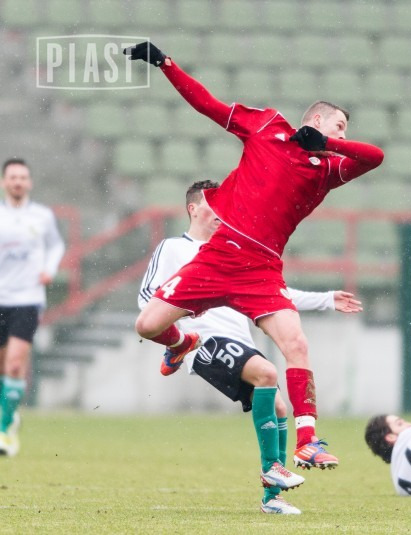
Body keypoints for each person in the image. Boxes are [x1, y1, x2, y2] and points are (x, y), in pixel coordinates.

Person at [124, 42, 384, 469]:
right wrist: (166, 64)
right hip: (220, 255)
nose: (343, 137)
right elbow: (207, 105)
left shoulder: (327, 169)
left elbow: (375, 157)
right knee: (147, 325)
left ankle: (307, 440)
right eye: (338, 127)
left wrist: (328, 144)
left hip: (262, 269)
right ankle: (181, 343)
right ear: (316, 118)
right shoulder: (267, 125)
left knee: (296, 343)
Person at [139, 180, 363, 514]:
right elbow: (148, 298)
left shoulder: (235, 249)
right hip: (205, 341)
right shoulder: (173, 249)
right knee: (267, 372)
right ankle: (273, 469)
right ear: (193, 209)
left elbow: (272, 293)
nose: (222, 213)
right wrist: (177, 332)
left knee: (279, 408)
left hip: (240, 342)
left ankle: (272, 498)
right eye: (214, 206)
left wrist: (326, 300)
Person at [0, 158, 65, 457]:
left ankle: (4, 431)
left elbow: (56, 245)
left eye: (22, 177)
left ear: (29, 182)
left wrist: (49, 268)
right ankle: (9, 413)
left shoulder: (42, 216)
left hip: (27, 298)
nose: (18, 182)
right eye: (13, 177)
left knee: (15, 365)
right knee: (3, 367)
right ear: (4, 182)